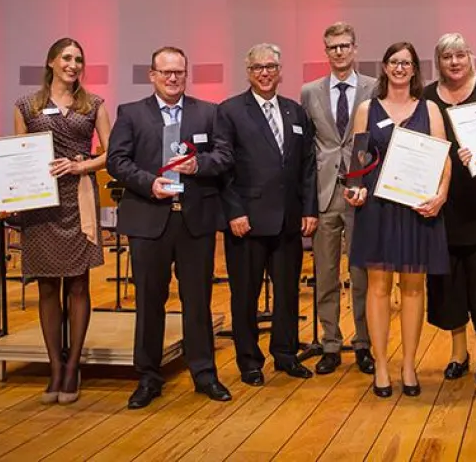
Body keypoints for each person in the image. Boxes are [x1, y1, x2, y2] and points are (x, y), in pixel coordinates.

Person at [106, 46, 231, 409]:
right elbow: (116, 161)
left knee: (198, 302)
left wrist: (200, 165)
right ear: (152, 75)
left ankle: (204, 373)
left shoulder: (208, 112)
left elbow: (224, 156)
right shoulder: (131, 114)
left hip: (195, 219)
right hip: (148, 218)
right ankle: (148, 376)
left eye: (179, 72)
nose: (173, 78)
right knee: (149, 302)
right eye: (165, 72)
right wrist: (149, 183)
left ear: (186, 74)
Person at [345, 42, 450, 398]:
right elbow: (359, 157)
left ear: (414, 68)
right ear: (385, 67)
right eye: (394, 62)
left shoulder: (430, 108)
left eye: (406, 62)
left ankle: (408, 365)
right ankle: (382, 366)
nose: (400, 68)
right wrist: (354, 188)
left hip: (416, 206)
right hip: (377, 206)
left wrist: (441, 195)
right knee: (378, 287)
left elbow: (443, 157)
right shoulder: (366, 108)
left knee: (413, 288)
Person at [211, 43, 318, 385]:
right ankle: (249, 361)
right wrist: (234, 212)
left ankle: (285, 354)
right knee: (245, 295)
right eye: (258, 67)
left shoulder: (295, 112)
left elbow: (307, 166)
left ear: (280, 70)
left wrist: (310, 209)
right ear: (248, 72)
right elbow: (222, 169)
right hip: (247, 222)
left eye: (271, 66)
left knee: (287, 293)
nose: (265, 73)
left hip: (289, 220)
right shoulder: (229, 111)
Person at [12, 37, 111, 405]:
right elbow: (17, 154)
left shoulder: (94, 104)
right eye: (67, 58)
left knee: (79, 285)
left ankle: (73, 368)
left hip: (78, 199)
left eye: (79, 60)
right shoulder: (26, 104)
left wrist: (80, 164)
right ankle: (55, 365)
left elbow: (112, 153)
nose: (73, 65)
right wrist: (11, 194)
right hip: (41, 203)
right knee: (47, 288)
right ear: (51, 62)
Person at [423, 33, 476, 383]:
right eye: (446, 57)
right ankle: (459, 353)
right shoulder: (425, 98)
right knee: (448, 285)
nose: (454, 62)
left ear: (470, 56)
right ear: (438, 62)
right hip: (440, 205)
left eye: (460, 55)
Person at [299, 22, 376, 375]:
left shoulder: (375, 88)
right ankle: (330, 343)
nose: (340, 52)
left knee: (361, 273)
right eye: (333, 47)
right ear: (325, 51)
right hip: (325, 192)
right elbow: (307, 147)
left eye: (345, 45)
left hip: (362, 192)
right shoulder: (310, 92)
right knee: (326, 272)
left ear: (355, 48)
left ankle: (364, 342)